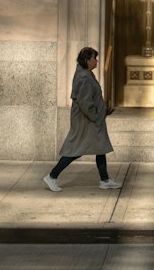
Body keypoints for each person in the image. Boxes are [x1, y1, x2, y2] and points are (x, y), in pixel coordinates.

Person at [43, 47, 121, 191]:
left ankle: (105, 180)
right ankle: (52, 176)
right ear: (87, 60)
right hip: (86, 121)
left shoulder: (85, 73)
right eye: (94, 59)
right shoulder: (85, 77)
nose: (96, 61)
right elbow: (85, 103)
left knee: (100, 147)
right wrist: (97, 116)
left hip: (89, 120)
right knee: (75, 150)